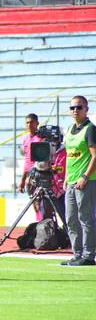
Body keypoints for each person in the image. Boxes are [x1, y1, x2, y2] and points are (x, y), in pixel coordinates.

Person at [61, 95, 96, 266]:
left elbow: (95, 156)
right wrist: (67, 178)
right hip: (71, 181)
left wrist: (85, 176)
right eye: (72, 108)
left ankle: (89, 255)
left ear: (86, 109)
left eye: (79, 107)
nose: (75, 110)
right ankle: (77, 254)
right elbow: (69, 156)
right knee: (71, 219)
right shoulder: (69, 129)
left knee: (85, 218)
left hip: (86, 181)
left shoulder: (90, 129)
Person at [19, 113, 44, 221]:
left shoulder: (41, 138)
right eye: (27, 122)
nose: (29, 125)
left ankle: (44, 224)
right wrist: (22, 179)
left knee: (41, 203)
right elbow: (27, 161)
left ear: (37, 123)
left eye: (31, 122)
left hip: (40, 173)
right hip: (29, 174)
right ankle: (40, 223)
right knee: (34, 203)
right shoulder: (25, 139)